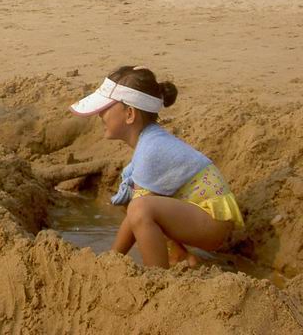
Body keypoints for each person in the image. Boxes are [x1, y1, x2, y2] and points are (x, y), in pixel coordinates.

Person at [70, 65, 244, 268]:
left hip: (212, 224)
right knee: (134, 201)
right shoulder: (150, 141)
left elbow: (138, 211)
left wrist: (110, 260)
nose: (100, 115)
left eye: (105, 108)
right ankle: (178, 255)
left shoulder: (152, 149)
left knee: (140, 208)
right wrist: (113, 257)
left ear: (130, 114)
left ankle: (156, 274)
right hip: (201, 217)